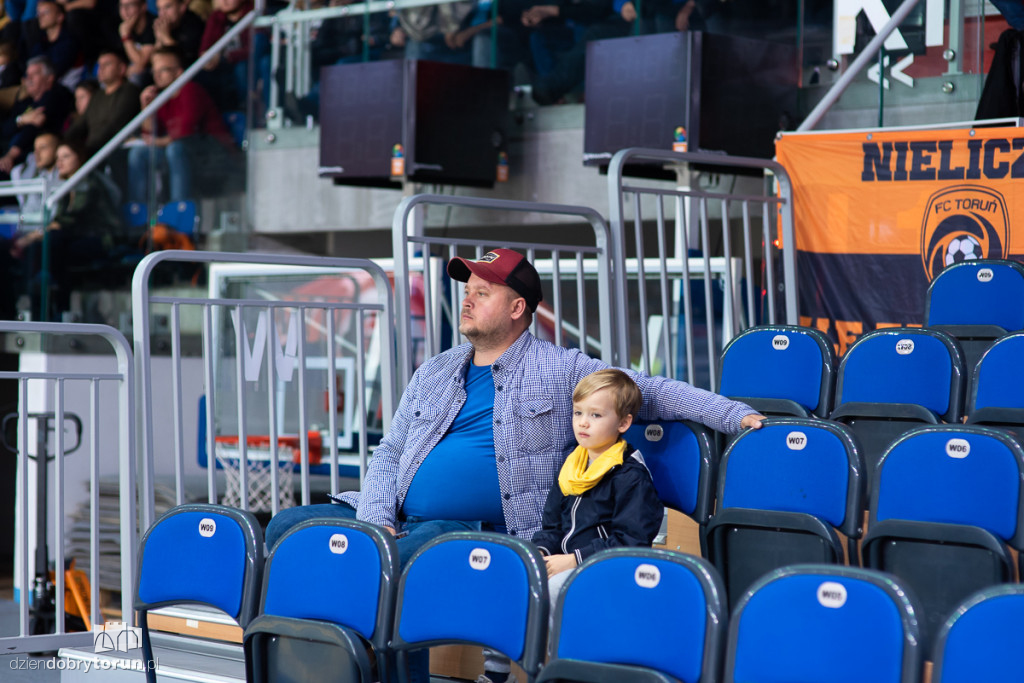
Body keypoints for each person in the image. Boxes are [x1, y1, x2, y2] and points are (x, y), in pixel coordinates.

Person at [265, 249, 764, 683]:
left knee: (389, 560)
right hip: (394, 517)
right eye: (468, 289)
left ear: (517, 308)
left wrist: (735, 414)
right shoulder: (436, 369)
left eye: (483, 292)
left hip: (477, 529)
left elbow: (651, 391)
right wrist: (376, 516)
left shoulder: (561, 368)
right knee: (286, 528)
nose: (467, 298)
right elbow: (390, 451)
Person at [531, 368, 663, 616]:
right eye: (578, 412)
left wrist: (574, 560)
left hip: (608, 569)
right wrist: (540, 552)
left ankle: (554, 655)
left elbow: (631, 543)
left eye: (596, 415)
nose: (583, 422)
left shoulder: (630, 476)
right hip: (568, 562)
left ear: (623, 423)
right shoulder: (571, 467)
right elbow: (552, 528)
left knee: (556, 588)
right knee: (519, 578)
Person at [126, 46, 235, 203]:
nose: (157, 76)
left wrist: (156, 142)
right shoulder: (162, 97)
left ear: (179, 72)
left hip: (212, 154)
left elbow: (185, 133)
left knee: (175, 149)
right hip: (180, 152)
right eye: (154, 71)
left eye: (162, 70)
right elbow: (150, 135)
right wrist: (147, 108)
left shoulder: (191, 90)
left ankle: (179, 207)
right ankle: (137, 211)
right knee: (138, 154)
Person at [0, 56, 73, 174]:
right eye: (27, 75)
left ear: (49, 78)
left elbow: (34, 126)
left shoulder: (56, 94)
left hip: (39, 157)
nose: (28, 79)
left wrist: (10, 155)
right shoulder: (27, 101)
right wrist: (22, 119)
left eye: (34, 74)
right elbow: (5, 129)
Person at [65, 49, 140, 156]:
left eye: (107, 64)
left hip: (115, 149)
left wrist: (87, 149)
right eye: (99, 65)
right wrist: (62, 142)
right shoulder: (97, 95)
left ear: (122, 68)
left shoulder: (130, 91)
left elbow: (116, 124)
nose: (101, 68)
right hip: (93, 150)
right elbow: (80, 124)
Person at [152, 0, 204, 66]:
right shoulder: (164, 26)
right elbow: (155, 62)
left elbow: (183, 63)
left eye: (167, 7)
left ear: (182, 7)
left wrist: (166, 37)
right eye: (159, 9)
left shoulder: (194, 25)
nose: (162, 14)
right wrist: (159, 39)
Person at [118, 0, 156, 84]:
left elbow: (141, 63)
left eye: (130, 5)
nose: (125, 10)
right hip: (133, 70)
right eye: (121, 6)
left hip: (152, 74)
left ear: (143, 6)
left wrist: (125, 36)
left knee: (137, 76)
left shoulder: (153, 25)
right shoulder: (121, 25)